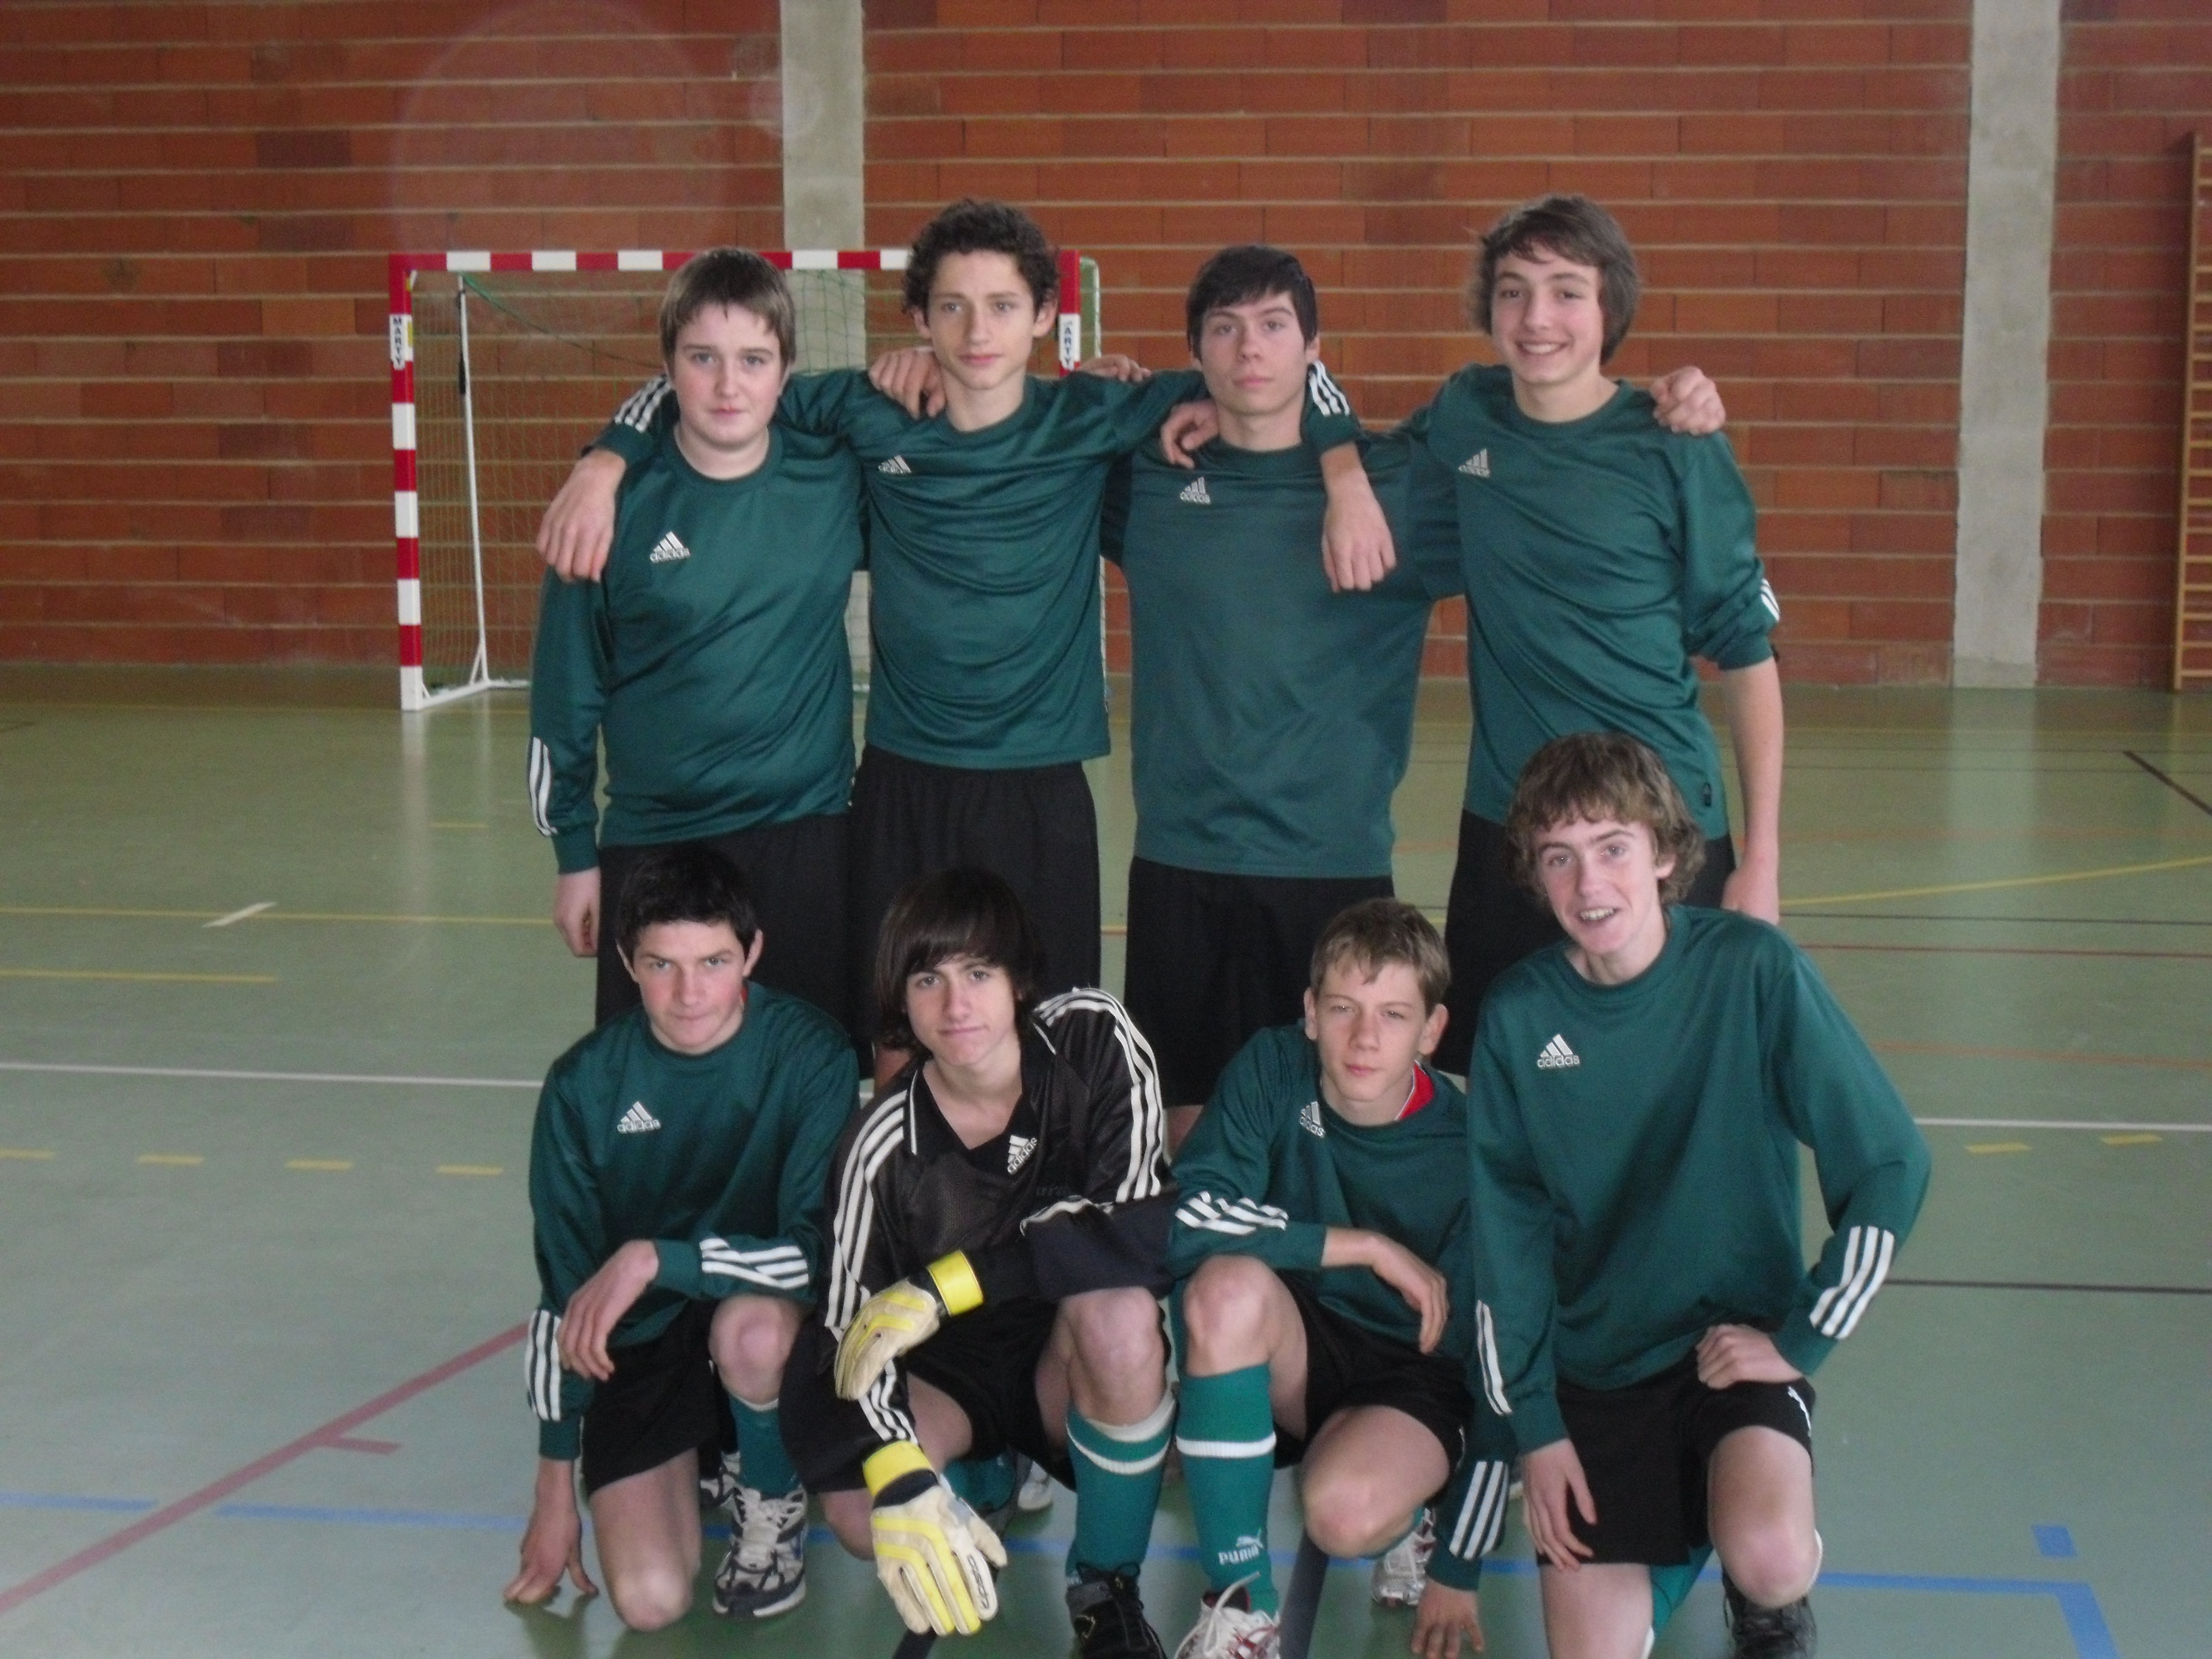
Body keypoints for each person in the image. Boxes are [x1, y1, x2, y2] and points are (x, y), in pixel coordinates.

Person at [535, 200, 1379, 1074]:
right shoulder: (869, 412)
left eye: (1004, 306)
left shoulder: (1094, 414)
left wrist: (1345, 466)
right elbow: (717, 385)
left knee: (1049, 1045)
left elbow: (1272, 373)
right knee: (899, 1045)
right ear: (918, 318)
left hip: (1038, 784)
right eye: (952, 307)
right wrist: (606, 461)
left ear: (1046, 316)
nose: (978, 331)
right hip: (905, 780)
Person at [1466, 732, 1931, 1659]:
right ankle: (1680, 1539)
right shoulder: (1519, 1019)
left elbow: (1891, 1164)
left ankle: (1766, 1600)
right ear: (1535, 873)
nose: (1588, 883)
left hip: (1731, 1354)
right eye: (1559, 857)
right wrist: (1538, 1431)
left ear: (1668, 853)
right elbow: (1504, 1250)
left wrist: (1799, 1339)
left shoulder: (1751, 972)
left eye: (1612, 848)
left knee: (1768, 1551)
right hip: (1597, 1373)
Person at [1406, 195, 1785, 1071]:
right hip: (1510, 826)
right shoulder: (1466, 416)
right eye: (1513, 291)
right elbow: (1336, 444)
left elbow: (1747, 654)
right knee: (1503, 1081)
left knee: (1670, 1078)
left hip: (1659, 828)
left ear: (1610, 307)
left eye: (1566, 292)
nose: (1538, 319)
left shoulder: (1674, 446)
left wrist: (1759, 862)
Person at [776, 867, 1179, 1658]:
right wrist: (896, 1461)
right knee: (865, 1512)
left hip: (1064, 1347)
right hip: (947, 1373)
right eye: (929, 979)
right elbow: (835, 1338)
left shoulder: (1093, 1040)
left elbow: (1139, 1228)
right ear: (902, 999)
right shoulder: (879, 1149)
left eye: (979, 974)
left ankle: (1106, 1586)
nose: (956, 1006)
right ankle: (977, 1475)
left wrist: (948, 1283)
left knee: (1124, 1318)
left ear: (1020, 980)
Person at [505, 845, 860, 1627]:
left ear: (754, 953)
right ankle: (713, 1448)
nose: (691, 993)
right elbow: (563, 1293)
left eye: (714, 961)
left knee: (755, 1331)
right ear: (628, 962)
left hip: (758, 1319)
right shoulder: (582, 1087)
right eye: (663, 965)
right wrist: (553, 1483)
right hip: (646, 1345)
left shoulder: (812, 1057)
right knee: (650, 1602)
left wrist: (657, 1258)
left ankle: (769, 1492)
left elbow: (817, 1259)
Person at [527, 247, 864, 1030]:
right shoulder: (607, 512)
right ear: (667, 369)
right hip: (658, 842)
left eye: (754, 360)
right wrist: (574, 855)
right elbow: (562, 696)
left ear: (786, 372)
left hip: (806, 835)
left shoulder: (831, 478)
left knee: (801, 1077)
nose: (728, 385)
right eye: (702, 358)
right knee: (658, 1096)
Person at [1165, 900, 1511, 1659]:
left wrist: (1462, 1559)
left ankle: (1413, 1502)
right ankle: (1240, 1605)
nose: (1364, 1038)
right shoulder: (1273, 1066)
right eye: (1344, 1008)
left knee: (1343, 1517)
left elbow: (1500, 1369)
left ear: (1432, 1032)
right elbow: (1182, 1220)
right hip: (1301, 1347)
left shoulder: (1472, 1153)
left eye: (1393, 1015)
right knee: (1222, 1290)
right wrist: (1360, 1247)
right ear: (1311, 1013)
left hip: (1415, 1375)